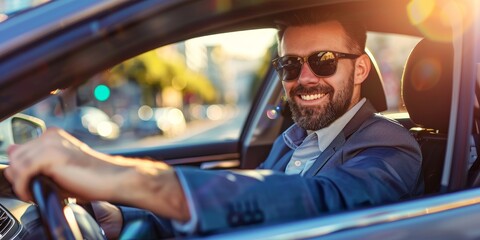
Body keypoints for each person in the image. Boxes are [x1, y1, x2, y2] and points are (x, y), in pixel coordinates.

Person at [4, 11, 422, 238]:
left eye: (324, 61)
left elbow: (323, 200)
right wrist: (125, 216)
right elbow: (247, 213)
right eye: (290, 64)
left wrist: (136, 180)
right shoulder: (294, 139)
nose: (305, 77)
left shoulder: (389, 144)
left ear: (362, 68)